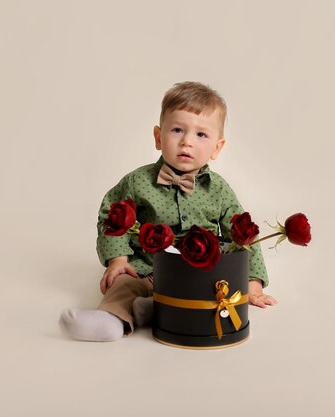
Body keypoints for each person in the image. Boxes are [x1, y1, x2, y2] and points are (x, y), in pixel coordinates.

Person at [59, 81, 277, 342]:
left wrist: (253, 283)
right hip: (147, 268)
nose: (187, 142)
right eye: (177, 130)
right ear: (158, 137)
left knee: (210, 295)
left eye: (201, 135)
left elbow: (243, 234)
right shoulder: (137, 182)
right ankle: (111, 319)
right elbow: (111, 216)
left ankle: (151, 310)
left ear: (217, 148)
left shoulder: (218, 190)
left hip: (201, 275)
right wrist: (118, 260)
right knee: (125, 287)